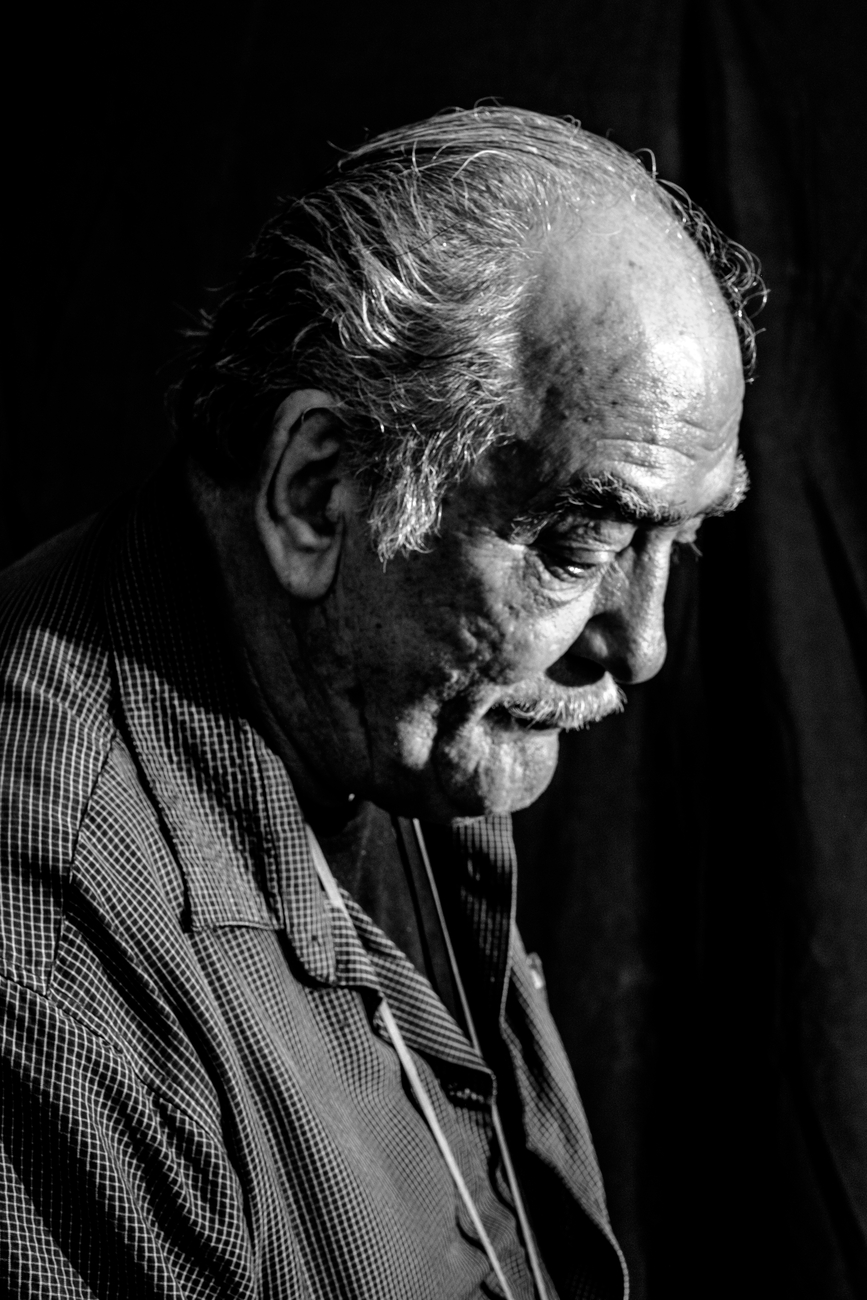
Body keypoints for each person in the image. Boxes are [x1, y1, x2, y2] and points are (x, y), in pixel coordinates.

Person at [0, 107, 761, 1299]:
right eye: (577, 542)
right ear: (319, 490)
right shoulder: (54, 969)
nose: (645, 644)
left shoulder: (388, 694)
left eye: (686, 540)